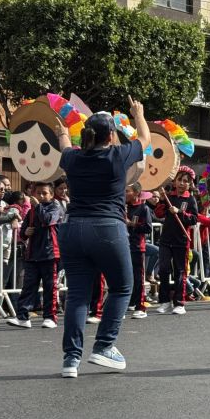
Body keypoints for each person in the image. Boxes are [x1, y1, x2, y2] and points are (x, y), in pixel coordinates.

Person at [58, 100, 148, 378]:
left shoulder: (72, 158)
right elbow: (144, 139)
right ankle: (104, 346)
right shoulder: (117, 155)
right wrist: (138, 115)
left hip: (73, 229)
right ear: (110, 135)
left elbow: (63, 143)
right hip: (107, 227)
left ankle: (70, 361)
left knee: (77, 296)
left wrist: (61, 126)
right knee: (122, 287)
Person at [8, 181, 63, 329]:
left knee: (49, 286)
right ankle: (22, 316)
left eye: (44, 193)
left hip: (50, 253)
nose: (41, 196)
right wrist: (25, 232)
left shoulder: (55, 207)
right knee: (28, 286)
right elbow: (23, 230)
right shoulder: (32, 210)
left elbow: (47, 220)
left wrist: (38, 205)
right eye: (38, 193)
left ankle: (50, 316)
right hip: (32, 253)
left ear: (51, 195)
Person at [154, 167, 198, 315]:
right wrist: (161, 201)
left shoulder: (191, 199)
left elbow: (193, 219)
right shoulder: (168, 196)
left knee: (180, 272)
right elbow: (159, 214)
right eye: (179, 180)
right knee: (164, 270)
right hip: (166, 240)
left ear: (190, 184)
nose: (182, 183)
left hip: (181, 240)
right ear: (174, 181)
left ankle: (179, 302)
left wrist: (180, 212)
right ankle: (164, 301)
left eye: (185, 181)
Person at [125, 182, 152, 318]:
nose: (125, 194)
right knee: (124, 277)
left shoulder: (143, 208)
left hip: (136, 247)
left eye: (127, 191)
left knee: (138, 277)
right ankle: (128, 302)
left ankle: (141, 306)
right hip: (123, 246)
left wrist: (131, 224)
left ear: (136, 193)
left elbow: (148, 228)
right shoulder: (123, 207)